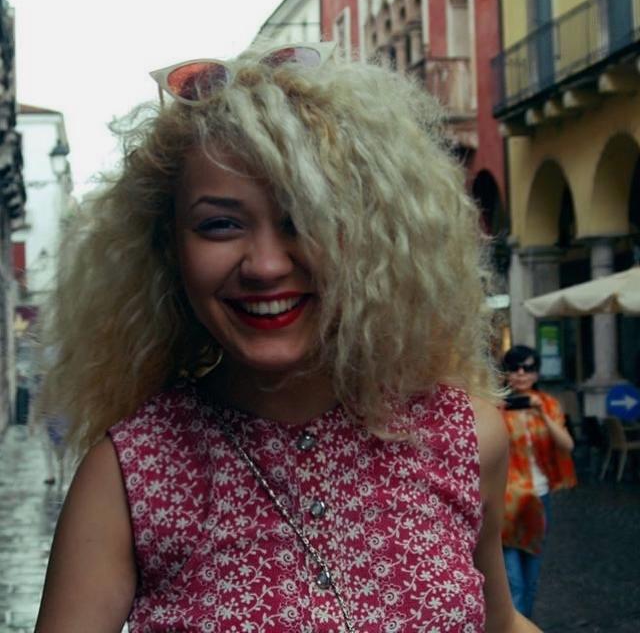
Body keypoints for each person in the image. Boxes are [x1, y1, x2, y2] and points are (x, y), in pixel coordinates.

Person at [35, 42, 542, 632]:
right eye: (220, 224)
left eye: (303, 220)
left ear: (372, 236)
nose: (266, 266)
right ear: (170, 250)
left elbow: (501, 623)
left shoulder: (464, 435)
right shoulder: (128, 475)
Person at [500, 345, 577, 619]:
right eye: (514, 368)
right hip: (507, 500)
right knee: (514, 582)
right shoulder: (496, 407)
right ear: (506, 373)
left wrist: (541, 414)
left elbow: (567, 445)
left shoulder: (549, 404)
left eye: (528, 368)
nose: (521, 374)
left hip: (539, 495)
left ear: (536, 373)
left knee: (531, 577)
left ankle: (526, 623)